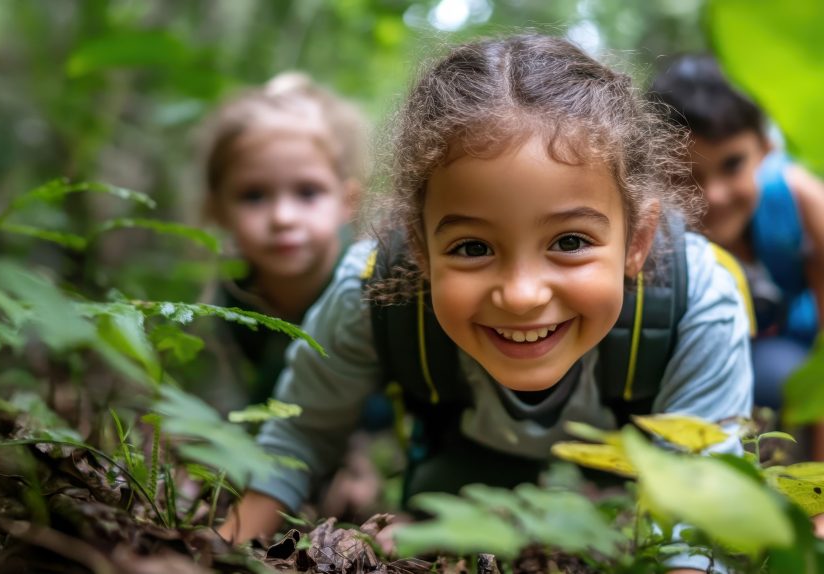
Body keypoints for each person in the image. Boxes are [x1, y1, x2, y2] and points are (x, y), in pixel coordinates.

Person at [219, 35, 756, 573]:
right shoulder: (367, 287)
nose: (522, 296)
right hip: (456, 495)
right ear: (421, 247)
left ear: (637, 242)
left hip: (633, 507)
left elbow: (699, 511)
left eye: (569, 242)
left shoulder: (698, 299)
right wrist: (216, 552)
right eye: (473, 248)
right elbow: (302, 432)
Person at [649, 55, 824, 447]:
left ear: (766, 148)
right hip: (686, 366)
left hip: (788, 357)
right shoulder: (651, 228)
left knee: (778, 375)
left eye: (732, 165)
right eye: (686, 176)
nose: (714, 195)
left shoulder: (802, 202)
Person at [196, 72, 367, 410]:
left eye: (307, 192)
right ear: (218, 210)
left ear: (347, 201)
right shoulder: (231, 298)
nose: (282, 218)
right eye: (254, 196)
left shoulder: (370, 284)